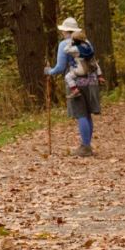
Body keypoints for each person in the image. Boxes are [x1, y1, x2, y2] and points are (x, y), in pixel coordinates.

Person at [45, 17, 101, 157]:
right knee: (87, 113)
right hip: (91, 80)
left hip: (76, 81)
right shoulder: (87, 42)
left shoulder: (64, 44)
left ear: (66, 31)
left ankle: (85, 147)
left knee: (80, 113)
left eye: (63, 31)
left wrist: (49, 71)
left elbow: (60, 67)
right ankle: (86, 145)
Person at [61, 29, 99, 98]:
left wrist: (70, 43)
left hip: (81, 70)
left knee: (68, 76)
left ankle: (75, 90)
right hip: (90, 68)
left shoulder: (76, 48)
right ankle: (100, 78)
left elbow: (65, 50)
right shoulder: (88, 46)